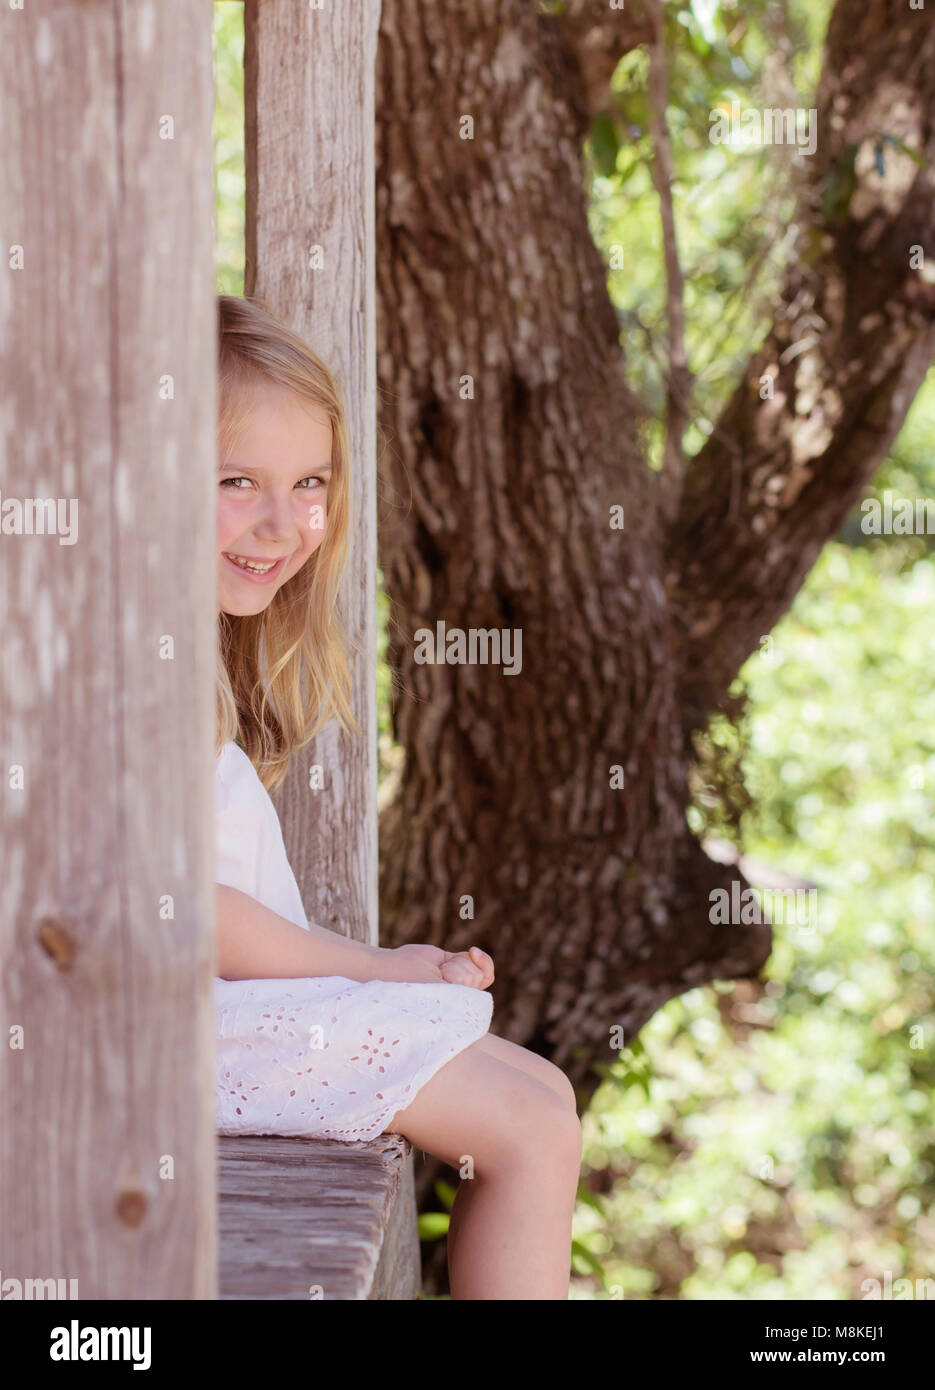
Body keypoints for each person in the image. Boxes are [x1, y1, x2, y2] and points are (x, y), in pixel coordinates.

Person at [213, 294, 582, 1300]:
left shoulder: (193, 656)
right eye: (234, 480)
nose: (279, 523)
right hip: (165, 1026)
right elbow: (190, 915)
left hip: (219, 1012)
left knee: (539, 1094)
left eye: (307, 483)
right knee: (529, 1125)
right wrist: (377, 968)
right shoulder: (143, 673)